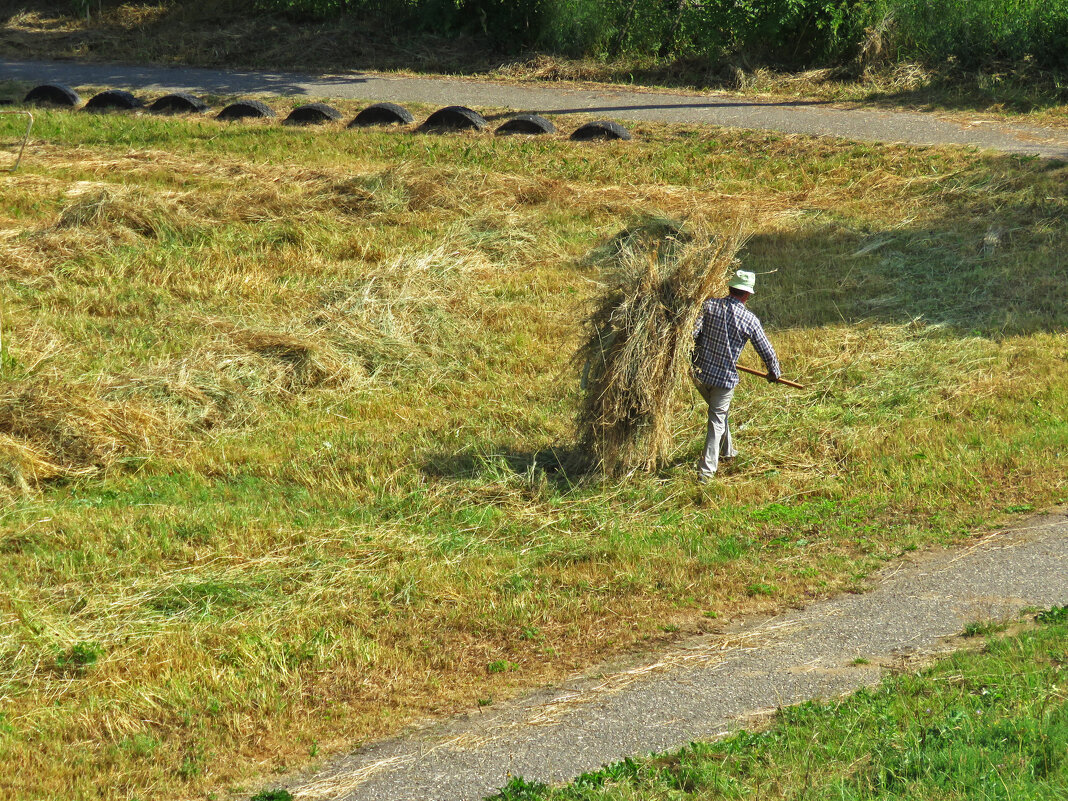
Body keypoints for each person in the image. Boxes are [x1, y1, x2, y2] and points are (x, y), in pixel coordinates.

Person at [691, 269, 780, 481]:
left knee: (720, 413)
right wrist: (773, 371)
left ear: (730, 287)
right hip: (724, 380)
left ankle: (728, 452)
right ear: (747, 294)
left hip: (699, 374)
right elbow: (766, 349)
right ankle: (706, 473)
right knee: (716, 420)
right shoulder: (749, 319)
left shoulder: (708, 305)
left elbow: (692, 334)